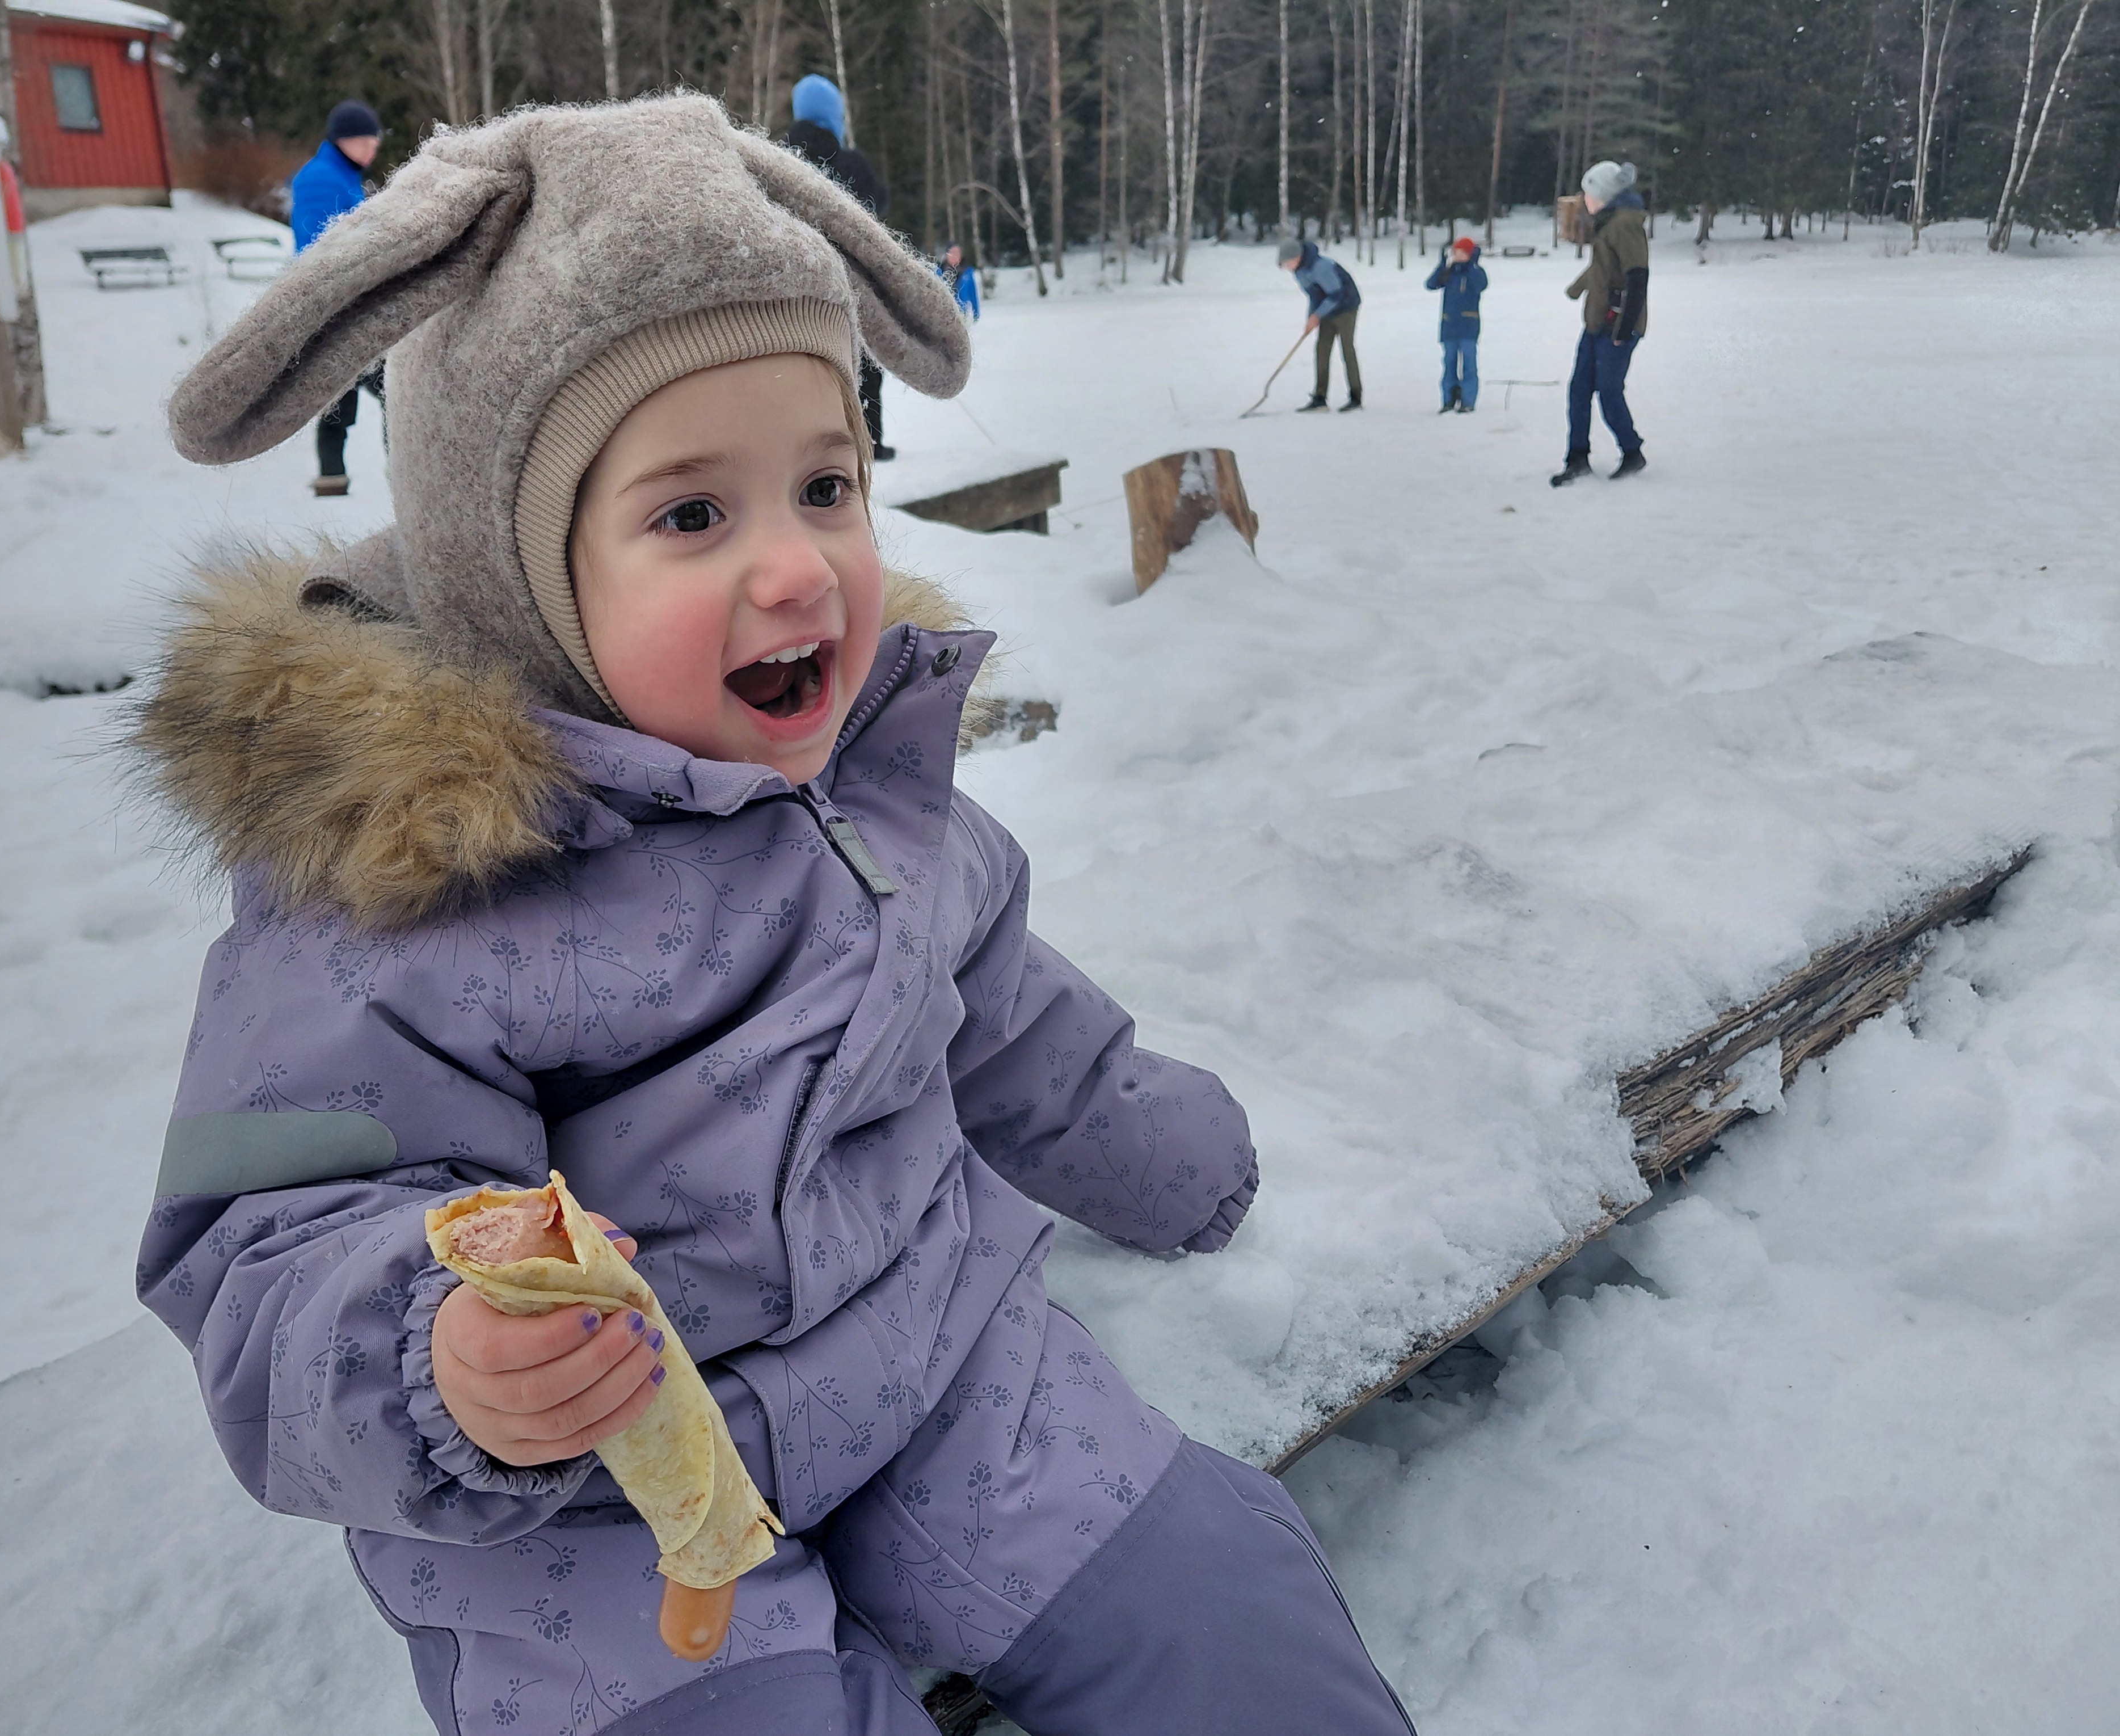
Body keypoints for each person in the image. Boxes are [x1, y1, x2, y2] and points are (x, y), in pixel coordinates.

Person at [145, 95, 1418, 1736]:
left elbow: (1007, 1006)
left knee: (1229, 1624)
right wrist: (442, 1361)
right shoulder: (391, 897)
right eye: (693, 513)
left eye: (828, 483)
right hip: (600, 1510)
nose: (803, 566)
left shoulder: (867, 794)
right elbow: (264, 1237)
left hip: (935, 1370)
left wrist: (1169, 1153)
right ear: (512, 576)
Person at [784, 74, 897, 462]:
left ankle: (804, 447)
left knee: (804, 368)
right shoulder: (851, 163)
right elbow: (878, 210)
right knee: (864, 371)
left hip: (794, 290)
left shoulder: (779, 160)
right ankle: (868, 442)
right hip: (852, 288)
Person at [289, 100, 386, 497]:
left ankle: (333, 477)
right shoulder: (320, 179)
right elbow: (320, 250)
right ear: (341, 140)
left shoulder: (342, 174)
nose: (370, 150)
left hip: (347, 309)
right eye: (363, 142)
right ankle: (399, 471)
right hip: (339, 311)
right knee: (387, 392)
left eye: (374, 142)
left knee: (341, 397)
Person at [1550, 159, 1650, 486]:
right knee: (1579, 390)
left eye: (1588, 193)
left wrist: (1624, 328)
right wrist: (1577, 288)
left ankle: (1632, 452)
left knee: (1608, 391)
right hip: (1597, 323)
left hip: (1617, 325)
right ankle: (1577, 457)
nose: (1584, 199)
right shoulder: (1608, 223)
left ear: (1605, 195)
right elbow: (1604, 269)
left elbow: (1637, 276)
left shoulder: (1625, 224)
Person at [1278, 238, 1362, 411]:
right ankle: (1320, 398)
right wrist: (1311, 318)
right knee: (1322, 350)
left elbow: (1337, 295)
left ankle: (1356, 397)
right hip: (1328, 308)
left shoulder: (1321, 266)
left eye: (1288, 263)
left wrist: (1317, 315)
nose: (1287, 267)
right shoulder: (1299, 272)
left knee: (1347, 349)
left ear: (1298, 257)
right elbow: (1314, 296)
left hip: (1347, 306)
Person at [1425, 235, 1486, 414]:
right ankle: (1448, 400)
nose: (1456, 255)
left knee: (1469, 365)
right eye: (1455, 252)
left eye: (1460, 252)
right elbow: (1430, 285)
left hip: (1468, 326)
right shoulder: (1449, 273)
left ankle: (1468, 401)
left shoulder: (1475, 272)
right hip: (1449, 326)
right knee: (1449, 364)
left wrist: (1472, 265)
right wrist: (1442, 267)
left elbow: (1481, 285)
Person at [940, 241, 981, 321]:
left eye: (958, 253)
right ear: (947, 255)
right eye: (953, 252)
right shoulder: (940, 272)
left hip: (962, 314)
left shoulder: (967, 273)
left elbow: (973, 293)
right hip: (943, 314)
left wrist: (976, 311)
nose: (956, 255)